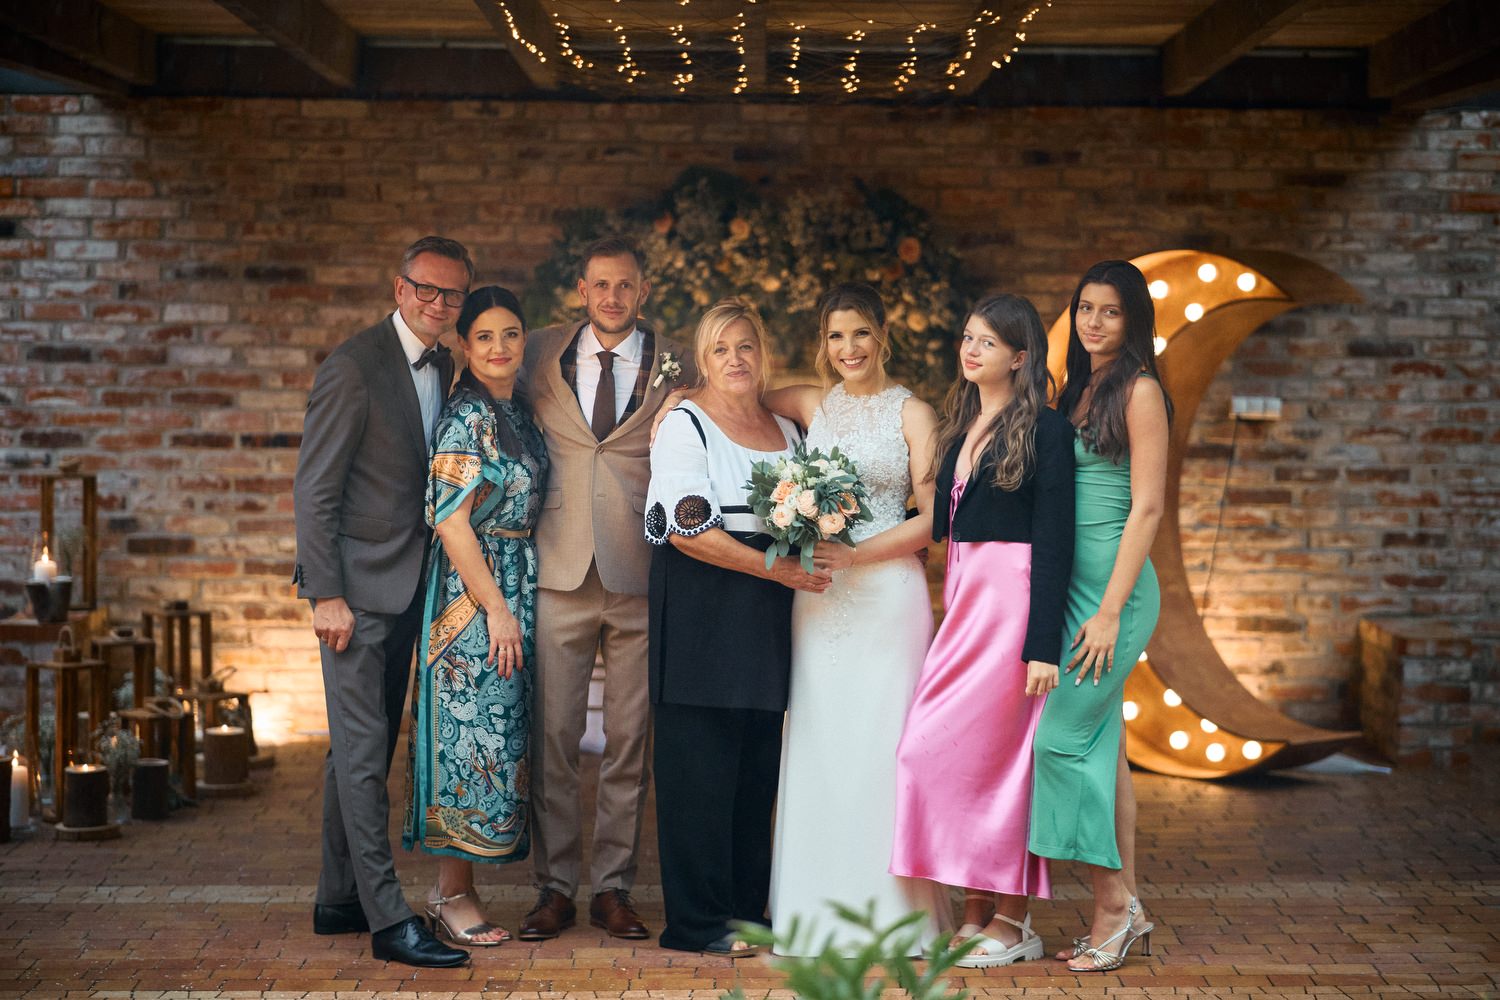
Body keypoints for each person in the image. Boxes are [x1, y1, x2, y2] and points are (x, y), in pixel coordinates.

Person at [292, 235, 472, 968]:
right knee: (366, 757)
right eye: (425, 288)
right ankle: (388, 920)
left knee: (357, 751)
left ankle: (338, 897)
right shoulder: (354, 365)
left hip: (410, 590)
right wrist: (326, 594)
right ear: (399, 289)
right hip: (356, 597)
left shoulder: (446, 364)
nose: (437, 303)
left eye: (451, 293)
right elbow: (315, 488)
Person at [759, 283, 948, 956]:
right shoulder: (814, 404)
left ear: (882, 335)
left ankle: (896, 919)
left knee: (886, 745)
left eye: (861, 333)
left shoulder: (914, 414)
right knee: (820, 742)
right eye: (836, 336)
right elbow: (740, 396)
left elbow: (936, 520)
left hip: (887, 597)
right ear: (823, 342)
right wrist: (676, 402)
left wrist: (859, 553)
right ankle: (814, 916)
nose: (849, 348)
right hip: (819, 599)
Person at [518, 236, 696, 941]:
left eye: (625, 285)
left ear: (643, 290)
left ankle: (613, 886)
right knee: (554, 737)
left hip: (641, 571)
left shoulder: (680, 359)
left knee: (630, 739)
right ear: (582, 290)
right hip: (558, 567)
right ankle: (555, 886)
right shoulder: (537, 351)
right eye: (601, 285)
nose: (613, 297)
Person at [890, 293, 1075, 967]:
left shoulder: (1047, 430)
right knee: (938, 755)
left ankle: (1014, 921)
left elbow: (1055, 541)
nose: (970, 350)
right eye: (968, 337)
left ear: (1020, 357)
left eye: (987, 343)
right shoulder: (963, 422)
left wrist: (1042, 645)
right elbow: (941, 523)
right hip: (966, 605)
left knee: (1003, 764)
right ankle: (975, 914)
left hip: (1012, 609)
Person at [645, 297, 830, 956]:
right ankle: (698, 923)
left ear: (763, 353)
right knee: (700, 770)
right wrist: (776, 571)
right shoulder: (684, 424)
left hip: (768, 616)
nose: (735, 359)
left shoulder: (788, 429)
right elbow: (686, 528)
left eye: (745, 346)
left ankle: (748, 913)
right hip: (702, 607)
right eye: (720, 349)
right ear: (702, 358)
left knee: (755, 769)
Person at [1029, 260, 1171, 973]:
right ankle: (1127, 907)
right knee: (1106, 755)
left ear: (1132, 319)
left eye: (1110, 311)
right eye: (1086, 307)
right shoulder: (1076, 389)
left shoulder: (1140, 390)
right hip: (1073, 596)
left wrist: (1111, 611)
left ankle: (1113, 906)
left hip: (1115, 597)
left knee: (1058, 743)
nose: (1094, 321)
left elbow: (1147, 507)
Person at [403, 286, 548, 947]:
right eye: (484, 336)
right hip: (472, 598)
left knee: (502, 736)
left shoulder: (517, 410)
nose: (499, 347)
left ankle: (462, 888)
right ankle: (450, 894)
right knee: (468, 737)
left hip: (514, 583)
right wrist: (496, 609)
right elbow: (451, 522)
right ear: (464, 345)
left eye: (510, 334)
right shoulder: (467, 417)